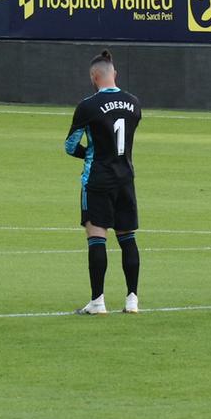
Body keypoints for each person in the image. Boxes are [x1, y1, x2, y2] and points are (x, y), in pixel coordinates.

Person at [65, 49, 143, 315]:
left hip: (98, 179)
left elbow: (70, 145)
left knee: (97, 237)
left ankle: (98, 301)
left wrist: (90, 153)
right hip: (125, 178)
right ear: (114, 74)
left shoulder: (87, 106)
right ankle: (132, 299)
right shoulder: (134, 103)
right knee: (127, 237)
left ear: (93, 77)